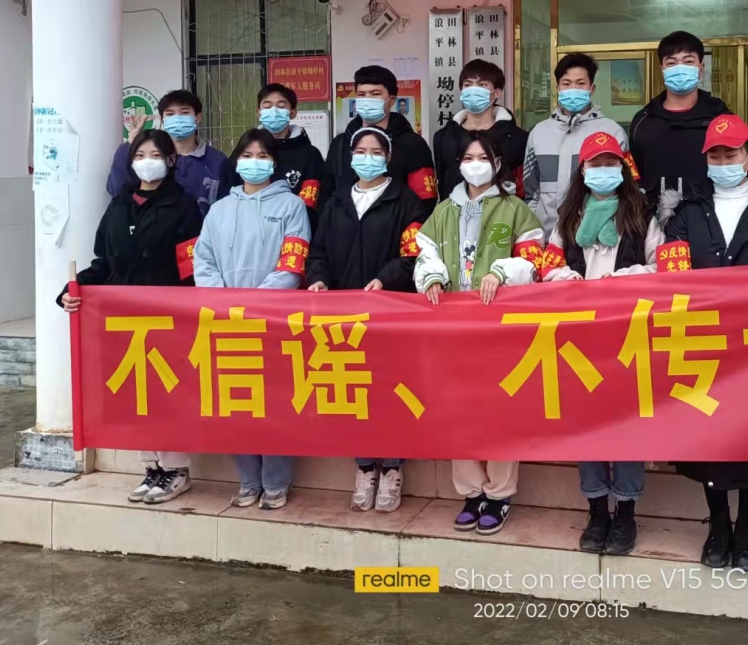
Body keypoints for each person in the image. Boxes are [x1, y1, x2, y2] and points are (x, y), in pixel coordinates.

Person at [663, 114, 748, 573]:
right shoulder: (687, 210)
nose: (724, 162)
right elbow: (672, 272)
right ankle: (718, 524)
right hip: (703, 338)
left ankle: (747, 530)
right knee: (711, 439)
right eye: (716, 155)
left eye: (732, 154)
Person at [61, 129, 204, 505]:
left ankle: (176, 469)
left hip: (167, 317)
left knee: (167, 393)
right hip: (123, 318)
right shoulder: (119, 205)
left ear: (171, 160)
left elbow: (191, 270)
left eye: (155, 155)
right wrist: (72, 289)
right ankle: (151, 466)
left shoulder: (184, 206)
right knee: (136, 393)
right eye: (139, 155)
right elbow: (103, 262)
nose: (147, 162)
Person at [414, 130, 543, 535]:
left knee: (500, 409)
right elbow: (424, 252)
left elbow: (534, 259)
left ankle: (499, 494)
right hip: (452, 330)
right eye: (468, 158)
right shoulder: (443, 211)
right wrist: (432, 276)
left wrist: (501, 272)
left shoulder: (515, 209)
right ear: (458, 164)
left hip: (499, 330)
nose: (475, 165)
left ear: (498, 163)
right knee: (459, 410)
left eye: (483, 158)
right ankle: (471, 492)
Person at [541, 131, 663, 556]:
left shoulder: (642, 214)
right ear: (583, 170)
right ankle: (596, 509)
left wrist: (627, 278)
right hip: (579, 338)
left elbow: (661, 267)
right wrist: (565, 278)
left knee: (627, 423)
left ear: (623, 168)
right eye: (595, 164)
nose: (604, 171)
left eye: (611, 163)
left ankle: (626, 510)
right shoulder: (568, 217)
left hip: (628, 335)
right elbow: (548, 265)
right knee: (588, 423)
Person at [304, 126, 423, 514]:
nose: (366, 157)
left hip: (390, 314)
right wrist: (318, 278)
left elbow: (413, 255)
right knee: (354, 391)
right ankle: (365, 466)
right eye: (360, 151)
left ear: (388, 158)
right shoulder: (337, 200)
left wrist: (386, 279)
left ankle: (392, 468)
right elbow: (318, 251)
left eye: (375, 151)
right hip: (344, 316)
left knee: (391, 391)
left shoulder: (405, 201)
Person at [196, 129, 312, 510]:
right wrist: (223, 302)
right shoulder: (218, 211)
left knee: (275, 403)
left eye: (262, 156)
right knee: (234, 403)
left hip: (274, 321)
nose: (254, 162)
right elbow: (204, 261)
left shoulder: (292, 206)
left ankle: (276, 481)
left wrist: (258, 303)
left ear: (274, 162)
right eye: (247, 155)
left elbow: (293, 263)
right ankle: (248, 478)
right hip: (227, 322)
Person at [523, 53, 630, 234]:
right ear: (557, 88)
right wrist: (534, 229)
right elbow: (531, 192)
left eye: (581, 83)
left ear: (592, 88)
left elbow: (626, 187)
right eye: (566, 83)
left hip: (594, 238)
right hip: (546, 235)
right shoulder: (539, 133)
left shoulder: (612, 132)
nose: (573, 88)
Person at [629, 31, 731, 205]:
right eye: (671, 63)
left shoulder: (721, 119)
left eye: (688, 61)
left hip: (711, 215)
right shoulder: (643, 121)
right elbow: (634, 178)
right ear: (662, 70)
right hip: (655, 217)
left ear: (701, 68)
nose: (680, 68)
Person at [219, 84, 328, 227]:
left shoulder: (310, 155)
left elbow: (312, 204)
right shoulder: (243, 152)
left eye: (281, 106)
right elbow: (226, 195)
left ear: (293, 113)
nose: (274, 111)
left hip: (294, 231)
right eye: (267, 106)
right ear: (259, 113)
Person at [327, 65, 436, 206]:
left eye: (375, 94)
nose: (367, 100)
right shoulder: (340, 144)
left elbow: (425, 199)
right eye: (361, 94)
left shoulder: (413, 145)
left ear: (392, 100)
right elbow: (326, 193)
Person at [109, 90, 226, 216]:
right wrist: (131, 143)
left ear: (197, 118)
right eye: (170, 114)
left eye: (185, 112)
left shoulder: (217, 161)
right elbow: (117, 188)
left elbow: (226, 207)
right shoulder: (151, 160)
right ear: (163, 120)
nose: (177, 118)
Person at [434, 59, 528, 200]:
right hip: (454, 211)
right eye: (467, 85)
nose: (473, 90)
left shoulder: (517, 138)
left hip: (502, 211)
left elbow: (523, 187)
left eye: (482, 84)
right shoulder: (444, 137)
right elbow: (442, 184)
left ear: (497, 92)